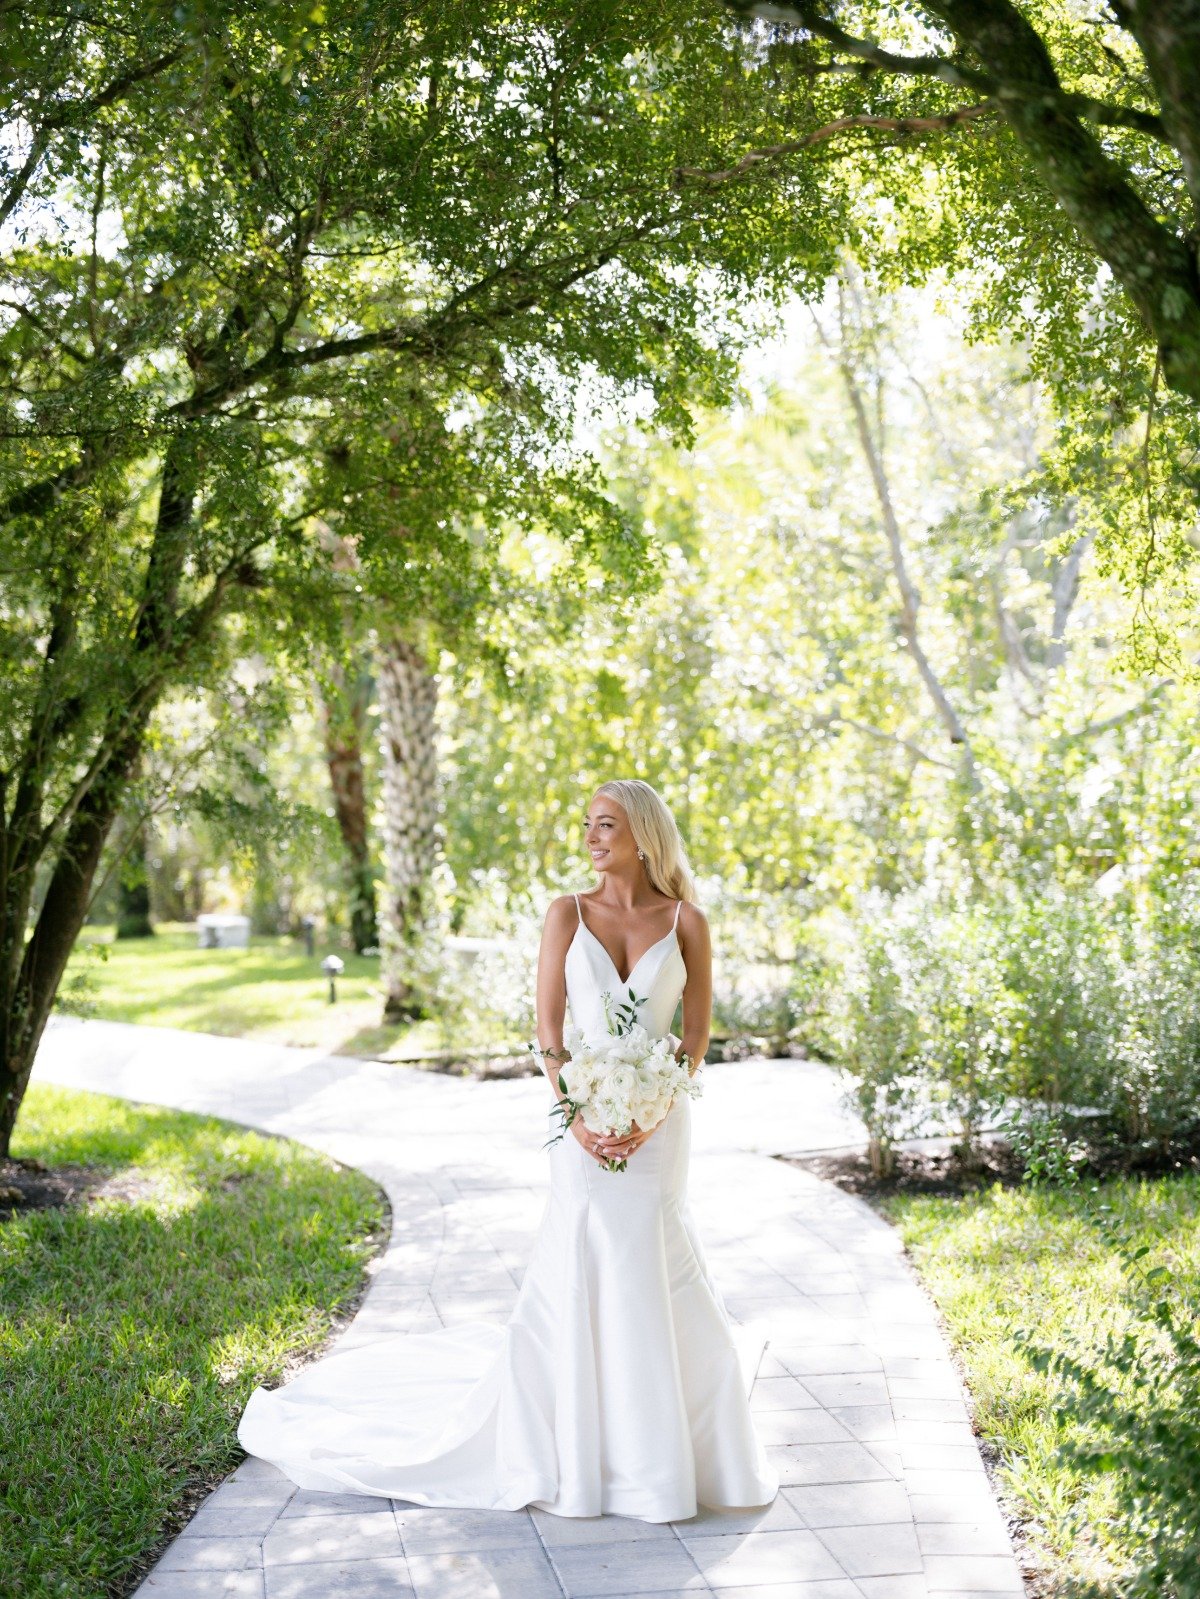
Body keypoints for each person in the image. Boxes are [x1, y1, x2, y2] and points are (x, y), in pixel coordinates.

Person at [237, 777, 777, 1521]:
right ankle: (582, 1453)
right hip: (578, 1122)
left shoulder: (688, 921)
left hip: (659, 1127)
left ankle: (670, 1452)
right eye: (588, 823)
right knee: (585, 1260)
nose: (592, 837)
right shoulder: (566, 914)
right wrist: (578, 1115)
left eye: (607, 825)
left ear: (644, 834)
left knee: (659, 1257)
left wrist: (653, 1111)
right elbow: (550, 1037)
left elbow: (694, 1035)